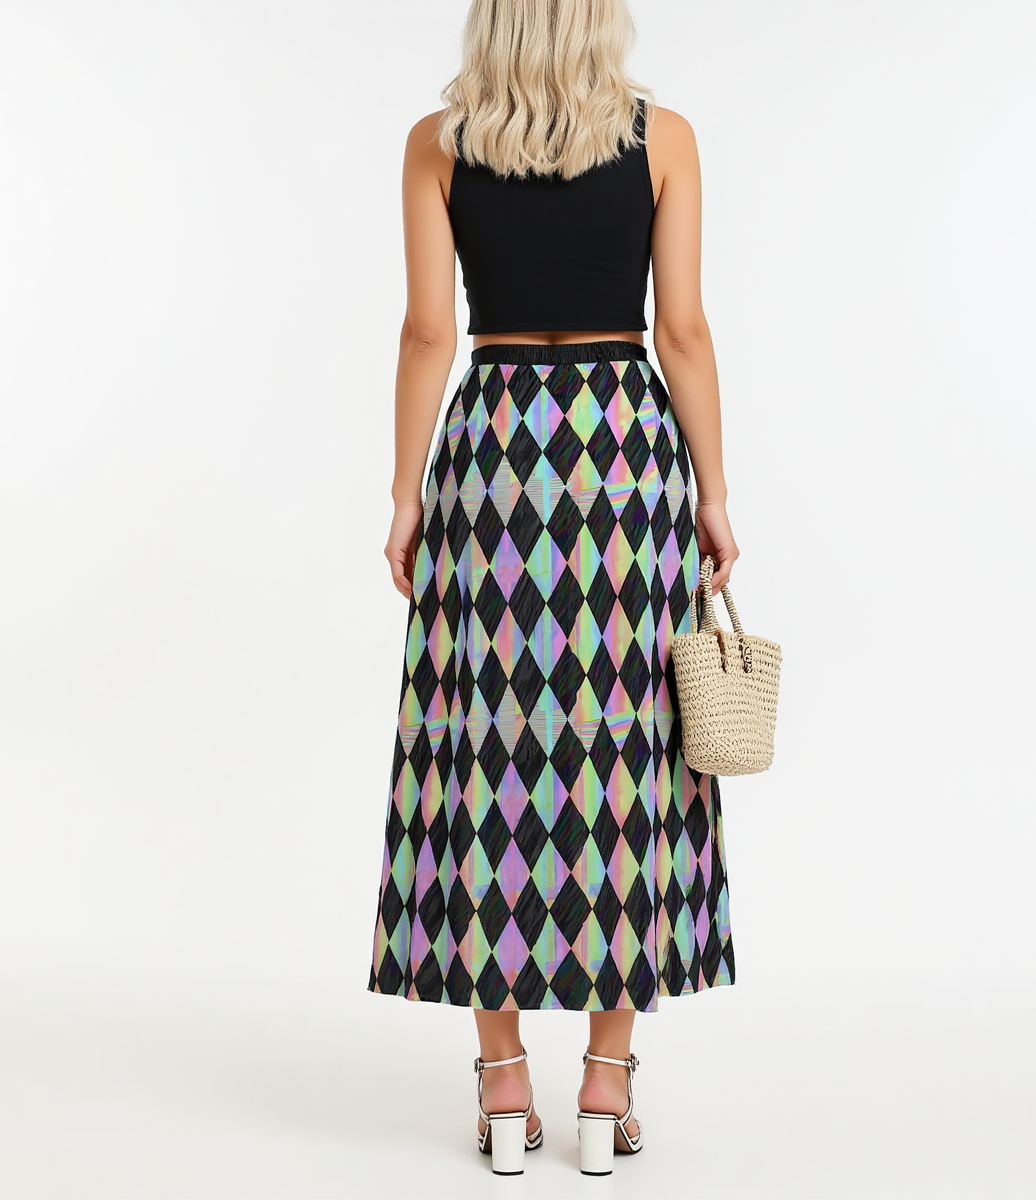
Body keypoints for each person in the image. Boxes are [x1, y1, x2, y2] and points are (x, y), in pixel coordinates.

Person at [367, 0, 740, 1177]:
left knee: (486, 747)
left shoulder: (437, 144)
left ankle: (500, 1086)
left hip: (494, 448)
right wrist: (714, 492)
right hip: (623, 450)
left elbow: (430, 332)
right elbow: (682, 331)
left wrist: (406, 494)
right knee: (628, 748)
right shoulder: (664, 138)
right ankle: (606, 1082)